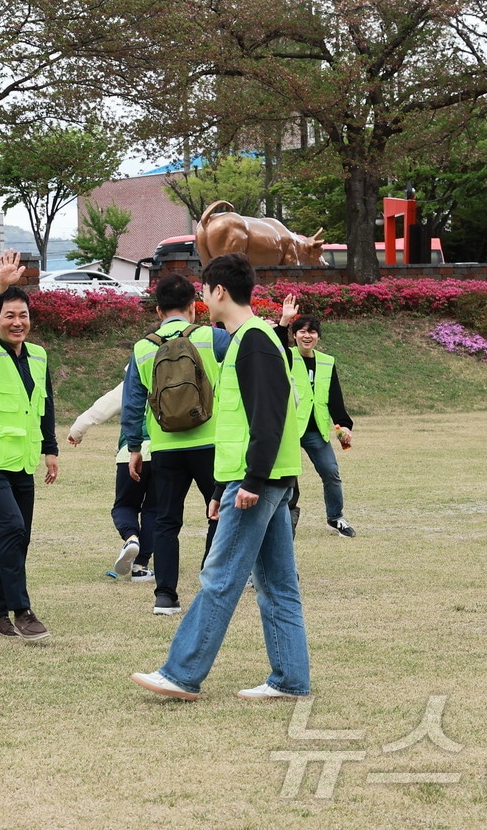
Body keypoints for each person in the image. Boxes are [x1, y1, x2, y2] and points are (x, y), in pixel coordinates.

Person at [132, 252, 309, 702]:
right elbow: (243, 423)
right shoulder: (249, 338)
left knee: (219, 578)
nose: (203, 299)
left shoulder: (253, 340)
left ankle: (181, 673)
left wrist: (248, 481)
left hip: (258, 482)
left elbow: (267, 419)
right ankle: (289, 679)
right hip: (254, 480)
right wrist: (223, 487)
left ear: (219, 291)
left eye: (206, 291)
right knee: (277, 586)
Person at [121, 273, 231, 615]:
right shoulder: (213, 338)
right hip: (211, 442)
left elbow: (133, 403)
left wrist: (135, 447)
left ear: (157, 311)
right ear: (193, 308)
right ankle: (210, 581)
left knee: (166, 521)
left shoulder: (142, 348)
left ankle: (165, 595)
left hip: (166, 447)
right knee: (219, 515)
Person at [0, 248, 59, 641]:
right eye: (10, 315)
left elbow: (46, 404)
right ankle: (21, 610)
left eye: (23, 316)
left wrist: (50, 449)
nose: (18, 322)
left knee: (20, 537)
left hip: (22, 461)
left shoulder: (37, 355)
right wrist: (0, 287)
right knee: (13, 530)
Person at [278, 295, 356, 537]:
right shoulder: (287, 355)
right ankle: (286, 520)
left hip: (316, 429)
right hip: (289, 427)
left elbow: (334, 395)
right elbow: (276, 345)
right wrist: (284, 322)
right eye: (301, 331)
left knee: (331, 472)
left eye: (312, 332)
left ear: (318, 336)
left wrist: (343, 423)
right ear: (295, 335)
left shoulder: (326, 362)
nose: (307, 335)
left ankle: (336, 517)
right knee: (288, 478)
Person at [68, 376, 156, 582]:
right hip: (163, 452)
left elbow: (100, 409)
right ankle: (141, 566)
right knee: (155, 510)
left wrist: (76, 432)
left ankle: (131, 538)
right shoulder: (175, 375)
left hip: (131, 452)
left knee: (124, 505)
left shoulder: (132, 382)